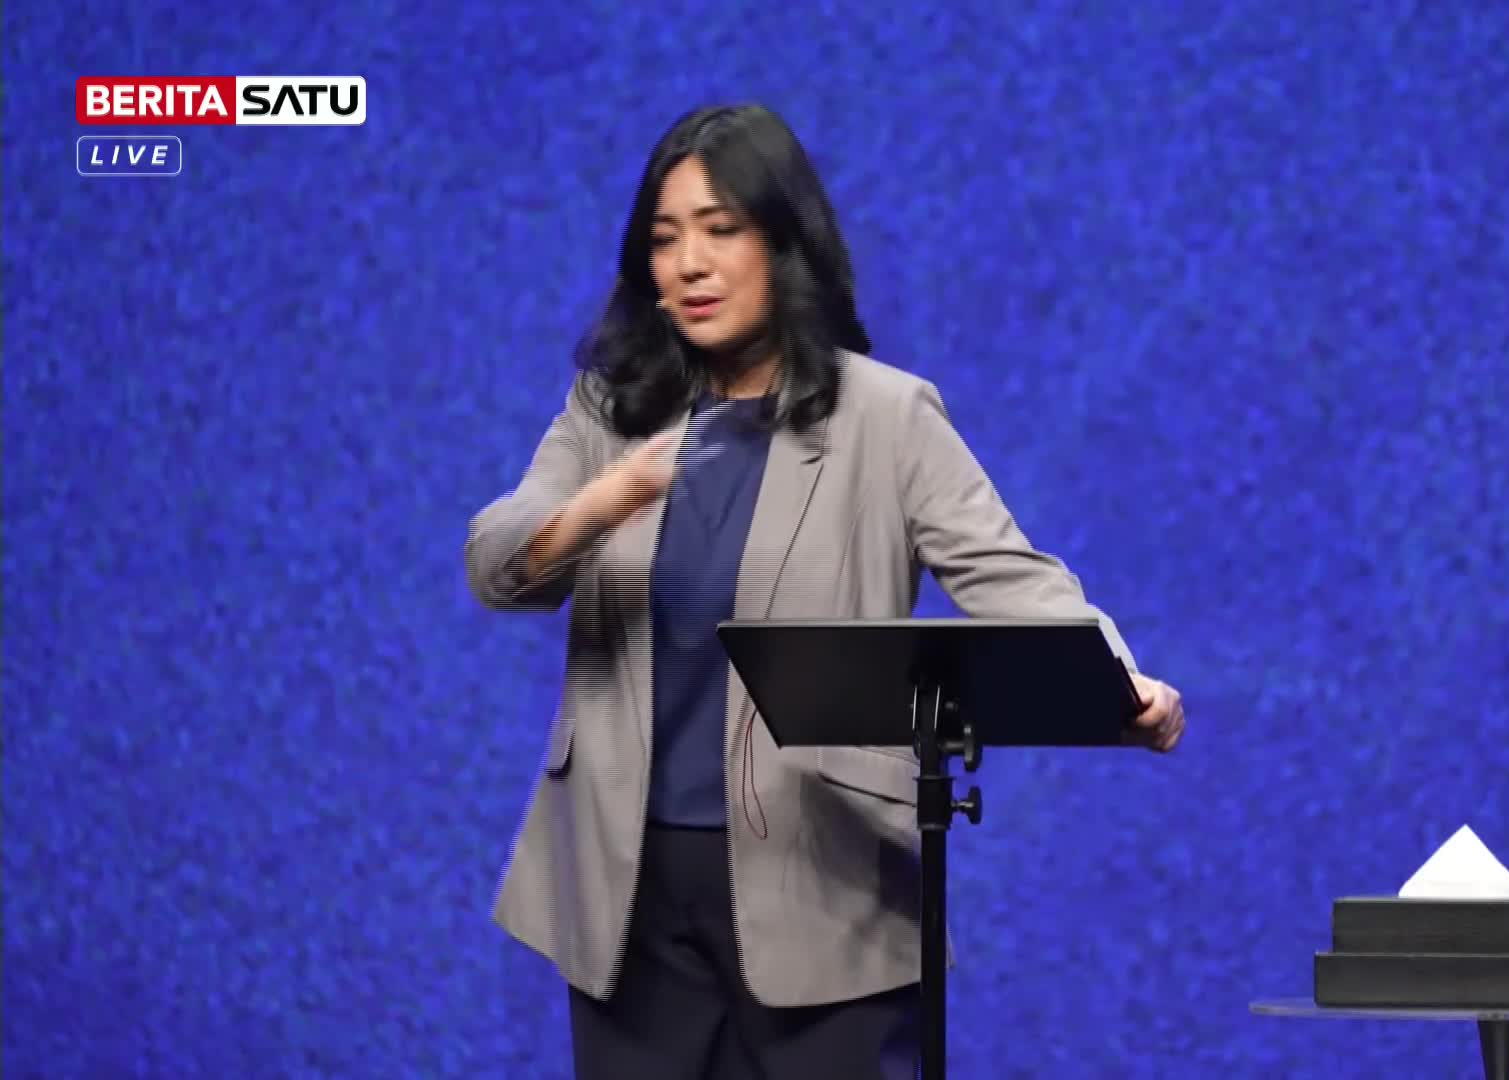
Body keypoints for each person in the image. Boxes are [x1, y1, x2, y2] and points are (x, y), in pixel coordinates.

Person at [464, 102, 1186, 1080]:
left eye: (721, 230)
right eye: (665, 238)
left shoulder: (887, 418)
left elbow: (1013, 580)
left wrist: (1114, 682)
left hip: (821, 885)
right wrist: (608, 498)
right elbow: (500, 563)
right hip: (625, 892)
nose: (690, 264)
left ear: (784, 241)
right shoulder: (609, 410)